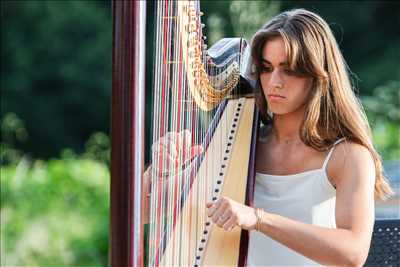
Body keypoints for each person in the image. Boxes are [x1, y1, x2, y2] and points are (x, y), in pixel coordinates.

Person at [144, 8, 393, 266]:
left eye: (290, 69)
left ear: (318, 74)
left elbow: (353, 253)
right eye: (266, 68)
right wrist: (158, 174)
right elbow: (138, 213)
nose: (274, 82)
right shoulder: (240, 148)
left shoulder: (347, 156)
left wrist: (258, 219)